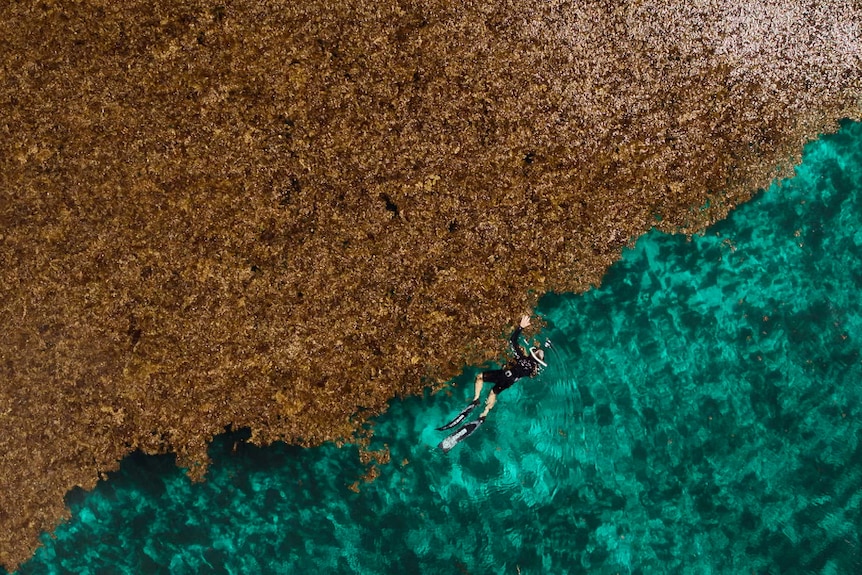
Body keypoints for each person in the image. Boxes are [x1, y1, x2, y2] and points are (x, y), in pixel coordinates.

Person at [473, 314, 546, 418]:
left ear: (531, 353)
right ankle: (484, 413)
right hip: (510, 381)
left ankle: (476, 399)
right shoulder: (533, 370)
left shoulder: (521, 357)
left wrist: (520, 327)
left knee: (479, 377)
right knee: (493, 392)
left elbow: (512, 340)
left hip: (504, 374)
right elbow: (530, 373)